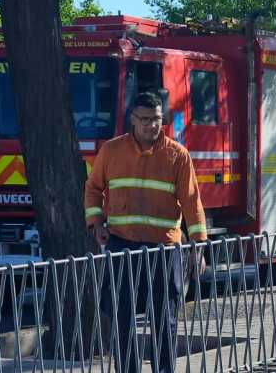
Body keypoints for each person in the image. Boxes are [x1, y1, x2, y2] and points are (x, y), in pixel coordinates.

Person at [84, 92, 207, 373]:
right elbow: (92, 188)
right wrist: (96, 223)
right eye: (146, 120)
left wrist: (198, 246)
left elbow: (192, 202)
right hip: (122, 244)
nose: (153, 125)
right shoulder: (112, 151)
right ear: (133, 120)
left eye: (157, 119)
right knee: (121, 315)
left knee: (165, 318)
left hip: (164, 250)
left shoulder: (177, 155)